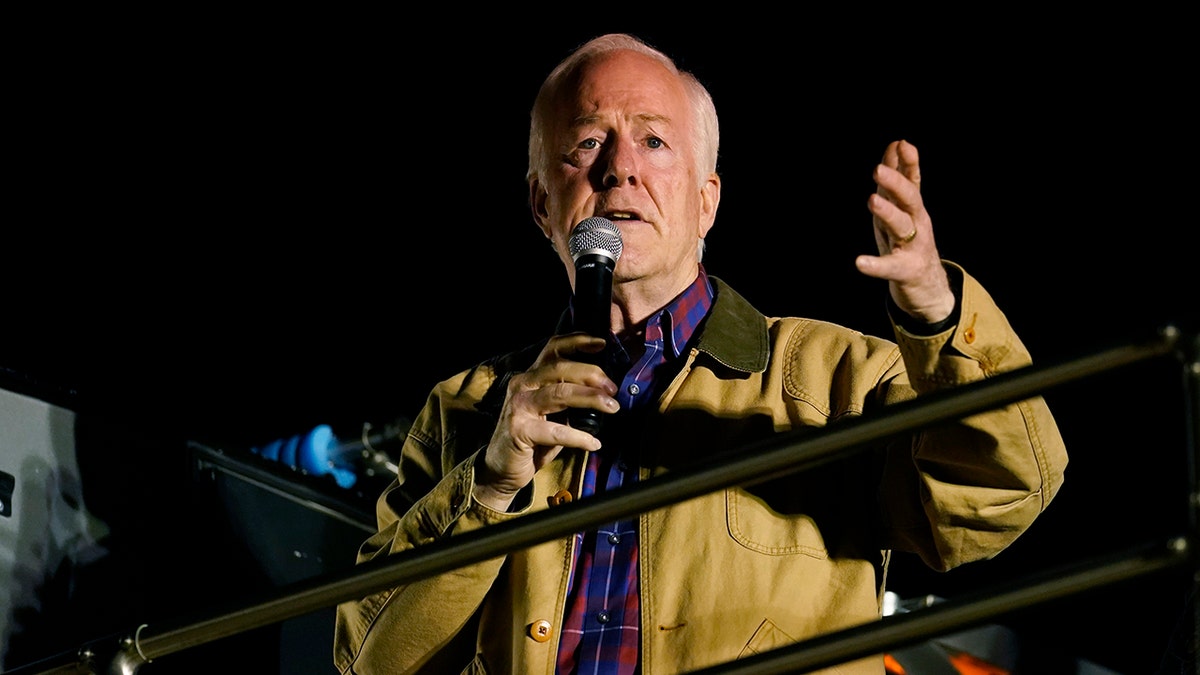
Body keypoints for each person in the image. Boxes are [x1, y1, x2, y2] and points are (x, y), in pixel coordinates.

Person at [333, 33, 1069, 674]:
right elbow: (370, 658)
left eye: (654, 141)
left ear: (706, 200)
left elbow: (1005, 491)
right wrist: (490, 485)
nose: (620, 167)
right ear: (541, 204)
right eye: (588, 142)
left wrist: (937, 309)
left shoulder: (835, 378)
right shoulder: (468, 407)